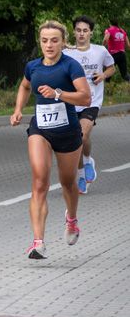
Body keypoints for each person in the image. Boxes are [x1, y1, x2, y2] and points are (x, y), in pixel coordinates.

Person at [10, 20, 91, 259]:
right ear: (40, 42)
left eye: (54, 40)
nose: (49, 44)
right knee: (39, 182)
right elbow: (25, 87)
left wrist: (58, 94)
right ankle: (38, 242)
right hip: (41, 130)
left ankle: (72, 220)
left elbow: (85, 98)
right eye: (44, 40)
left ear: (63, 42)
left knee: (68, 183)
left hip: (67, 132)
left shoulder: (71, 66)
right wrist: (18, 109)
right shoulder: (33, 67)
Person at [63, 16, 115, 194]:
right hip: (72, 100)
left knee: (82, 135)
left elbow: (111, 67)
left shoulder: (100, 51)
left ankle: (86, 161)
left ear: (91, 32)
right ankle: (82, 174)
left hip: (92, 100)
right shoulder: (67, 53)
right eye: (78, 30)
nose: (82, 34)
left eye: (85, 30)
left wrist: (102, 76)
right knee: (75, 140)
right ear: (74, 32)